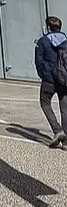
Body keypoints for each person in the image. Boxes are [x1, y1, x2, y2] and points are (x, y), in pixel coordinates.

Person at [35, 15, 67, 148]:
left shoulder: (42, 41)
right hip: (64, 80)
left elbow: (39, 61)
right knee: (65, 108)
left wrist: (44, 75)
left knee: (45, 103)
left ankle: (57, 130)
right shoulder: (65, 40)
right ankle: (66, 142)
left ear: (48, 27)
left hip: (49, 80)